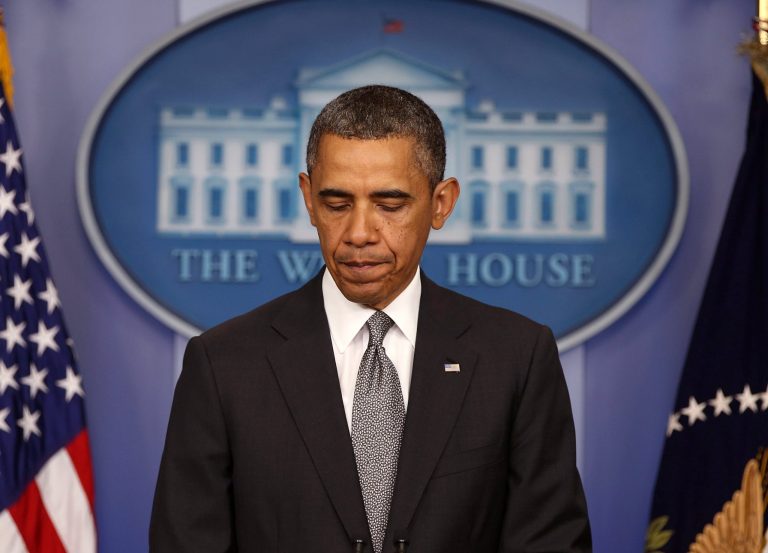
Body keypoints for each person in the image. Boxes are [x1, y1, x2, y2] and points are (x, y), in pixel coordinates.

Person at [150, 85, 591, 552]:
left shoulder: (516, 358)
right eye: (336, 204)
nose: (359, 233)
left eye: (389, 205)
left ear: (441, 203)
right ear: (308, 198)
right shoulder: (223, 365)